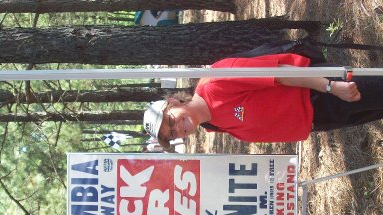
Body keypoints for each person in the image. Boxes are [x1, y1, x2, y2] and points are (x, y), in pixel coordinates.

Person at [143, 53, 383, 148]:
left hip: (321, 93)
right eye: (172, 134)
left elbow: (282, 73)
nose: (178, 129)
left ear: (174, 102)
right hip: (321, 119)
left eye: (171, 122)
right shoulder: (212, 125)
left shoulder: (216, 80)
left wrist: (331, 86)